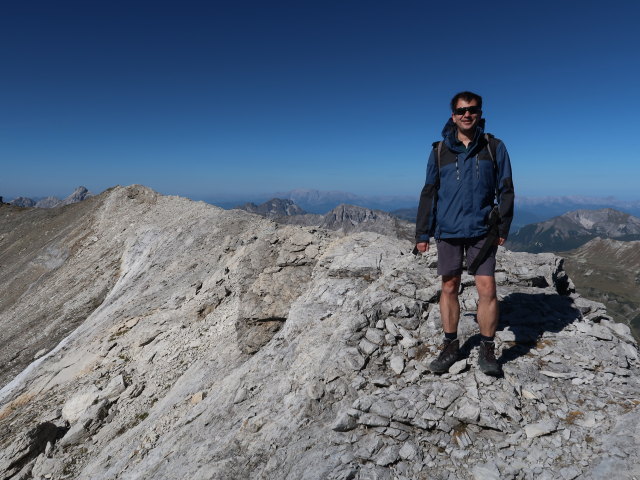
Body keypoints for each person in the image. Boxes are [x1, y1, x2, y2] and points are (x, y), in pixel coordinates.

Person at [415, 91, 514, 376]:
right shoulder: (438, 150)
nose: (467, 114)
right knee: (448, 286)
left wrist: (503, 226)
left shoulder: (494, 147)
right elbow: (429, 192)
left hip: (483, 230)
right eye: (461, 111)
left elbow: (506, 189)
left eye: (472, 109)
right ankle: (450, 345)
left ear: (480, 112)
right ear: (453, 116)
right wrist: (422, 233)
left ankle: (487, 347)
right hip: (447, 230)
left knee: (487, 289)